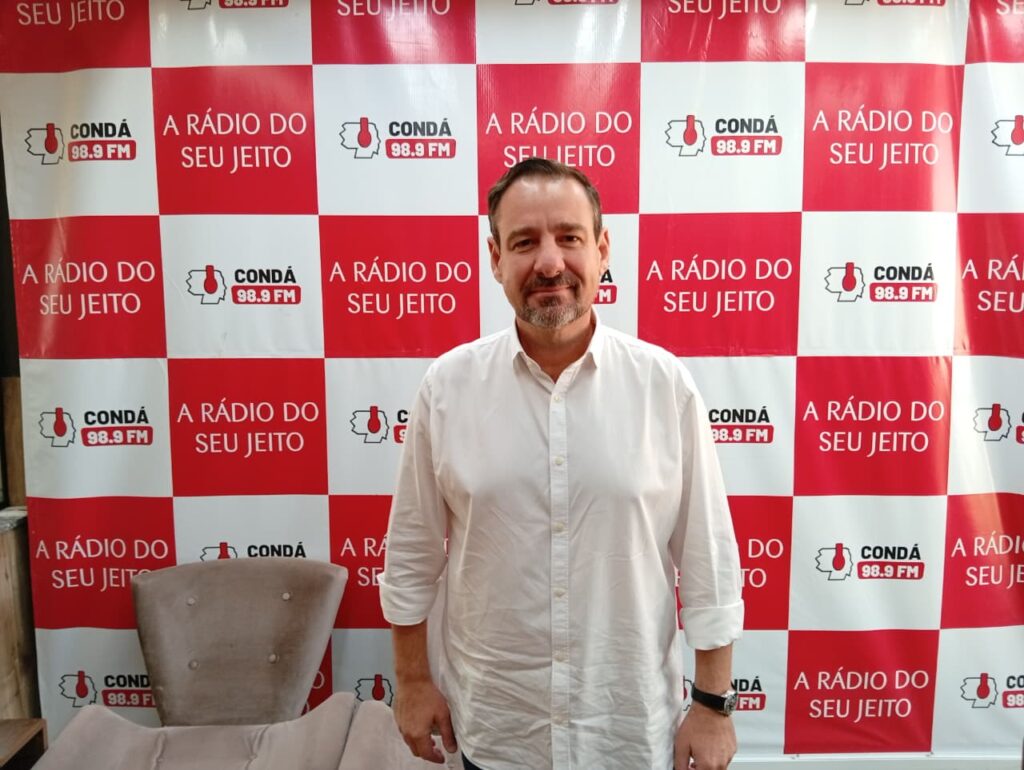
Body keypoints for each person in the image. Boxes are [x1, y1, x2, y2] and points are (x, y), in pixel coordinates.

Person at [379, 158, 744, 770]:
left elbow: (707, 559)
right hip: (498, 729)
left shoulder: (663, 386)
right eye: (525, 242)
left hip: (626, 732)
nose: (549, 263)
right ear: (495, 258)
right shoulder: (447, 388)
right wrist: (412, 681)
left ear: (602, 250)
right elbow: (412, 554)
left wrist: (712, 705)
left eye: (569, 237)